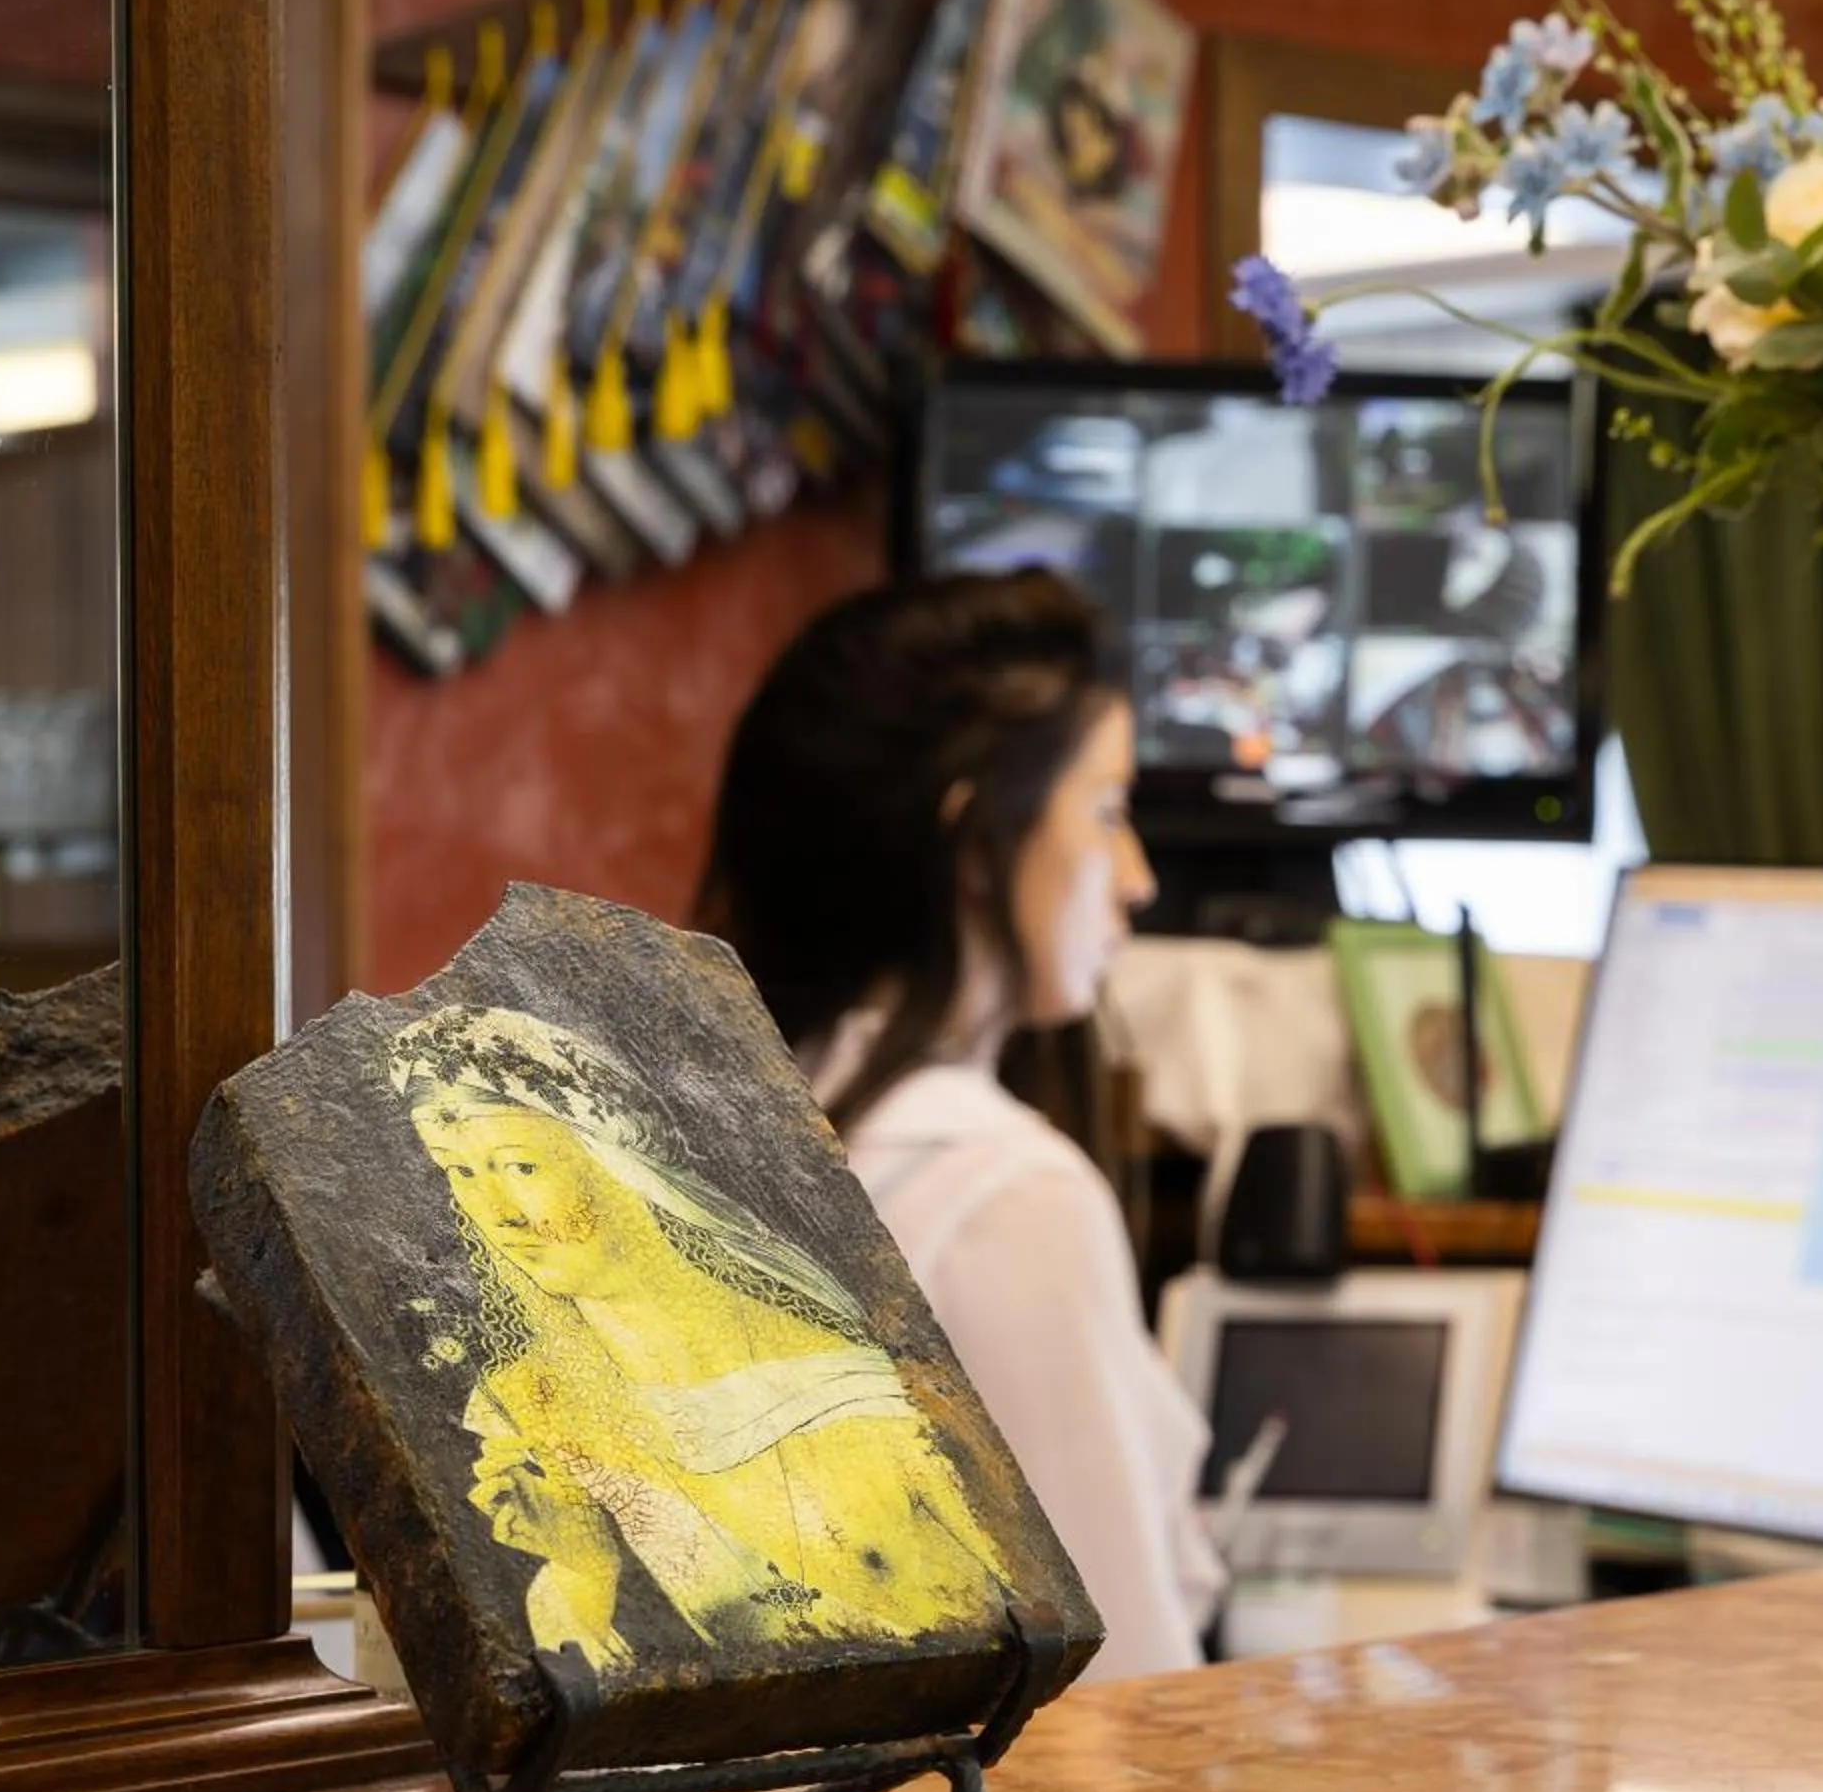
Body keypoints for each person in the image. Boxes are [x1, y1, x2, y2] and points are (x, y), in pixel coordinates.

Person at [701, 569, 1222, 1680]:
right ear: (975, 833)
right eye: (1109, 810)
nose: (1137, 879)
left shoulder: (720, 1127)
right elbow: (1119, 1693)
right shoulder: (1004, 1195)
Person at [389, 1002, 1018, 1673]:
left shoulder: (834, 1378)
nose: (498, 1213)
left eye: (522, 1168)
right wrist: (583, 1569)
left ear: (617, 1166)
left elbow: (957, 1630)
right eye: (460, 1174)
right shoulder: (527, 1401)